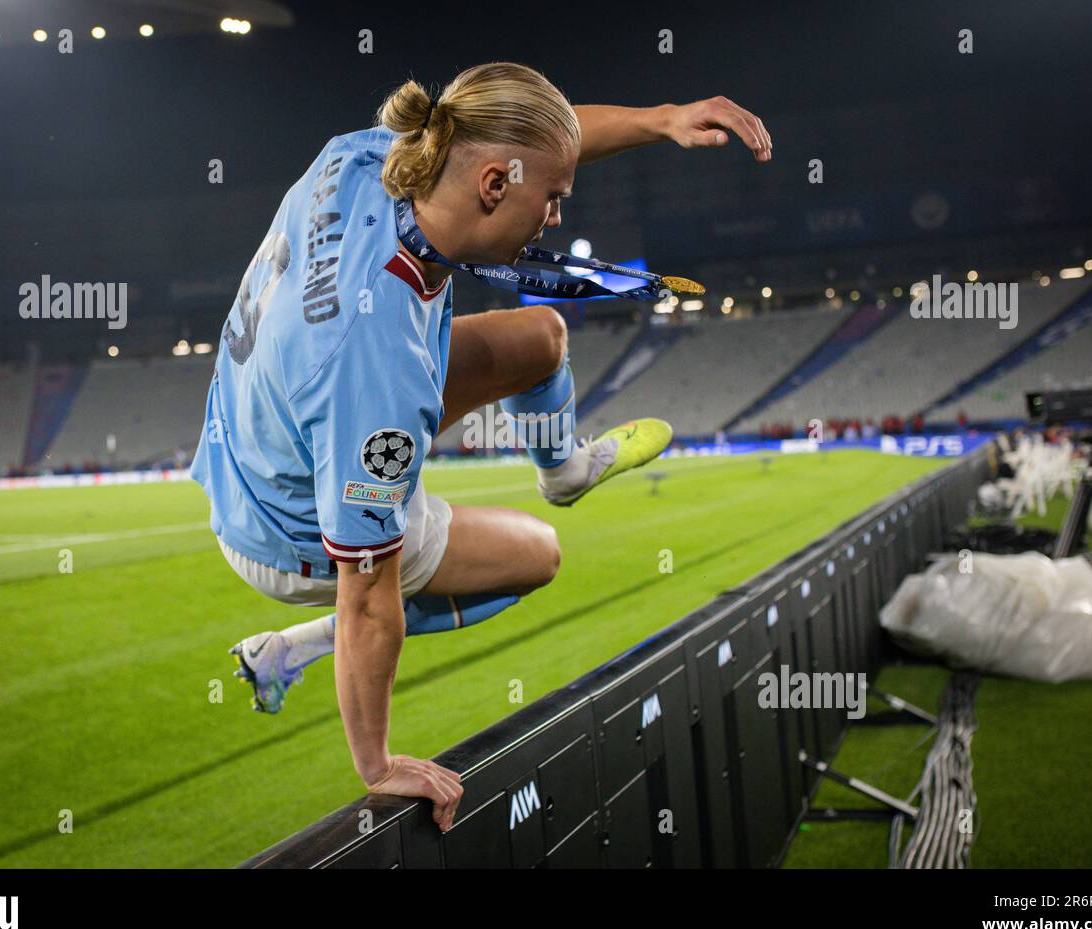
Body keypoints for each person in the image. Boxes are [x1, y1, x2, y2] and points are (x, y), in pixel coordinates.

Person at [190, 62, 772, 833]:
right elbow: (367, 596)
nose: (557, 217)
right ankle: (290, 649)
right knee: (537, 554)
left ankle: (562, 471)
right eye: (554, 199)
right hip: (284, 521)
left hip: (265, 424)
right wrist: (379, 763)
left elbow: (539, 140)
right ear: (495, 185)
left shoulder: (379, 154)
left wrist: (661, 117)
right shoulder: (378, 372)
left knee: (541, 338)